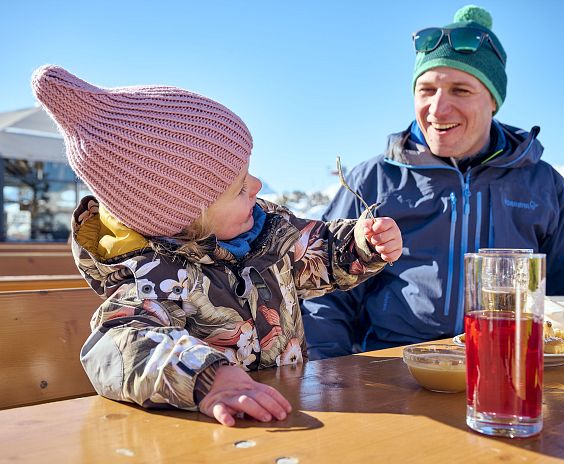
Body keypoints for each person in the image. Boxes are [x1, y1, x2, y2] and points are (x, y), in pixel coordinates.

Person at [32, 65, 402, 426]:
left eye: (249, 171)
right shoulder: (153, 280)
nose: (256, 185)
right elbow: (118, 344)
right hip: (212, 433)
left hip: (290, 408)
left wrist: (360, 244)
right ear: (184, 219)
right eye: (239, 187)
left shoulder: (268, 232)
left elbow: (316, 251)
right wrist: (208, 378)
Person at [302, 5, 564, 359]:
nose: (438, 110)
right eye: (426, 90)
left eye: (460, 90)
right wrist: (332, 379)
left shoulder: (543, 184)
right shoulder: (373, 180)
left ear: (493, 101)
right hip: (392, 370)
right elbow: (323, 296)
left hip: (506, 369)